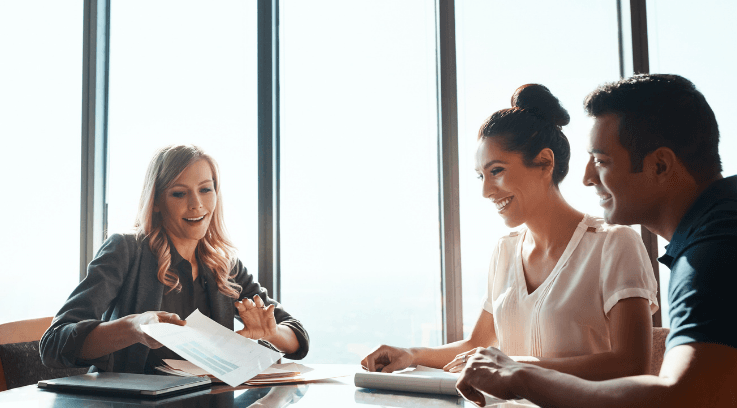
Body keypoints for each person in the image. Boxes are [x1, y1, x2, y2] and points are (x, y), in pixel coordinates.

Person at [457, 74, 737, 407]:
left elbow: (684, 397)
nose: (587, 177)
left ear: (660, 164)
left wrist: (522, 375)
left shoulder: (713, 252)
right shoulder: (714, 230)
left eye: (602, 161)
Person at [363, 84, 657, 381]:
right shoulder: (505, 251)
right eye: (481, 176)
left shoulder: (614, 244)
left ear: (545, 162)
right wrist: (411, 354)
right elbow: (477, 346)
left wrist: (515, 366)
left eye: (496, 171)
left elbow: (631, 365)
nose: (486, 191)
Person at [40, 144, 308, 372]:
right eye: (179, 193)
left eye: (205, 189)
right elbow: (54, 343)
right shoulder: (125, 249)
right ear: (156, 201)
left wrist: (271, 334)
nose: (196, 204)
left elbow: (296, 336)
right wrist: (134, 327)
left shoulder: (224, 263)